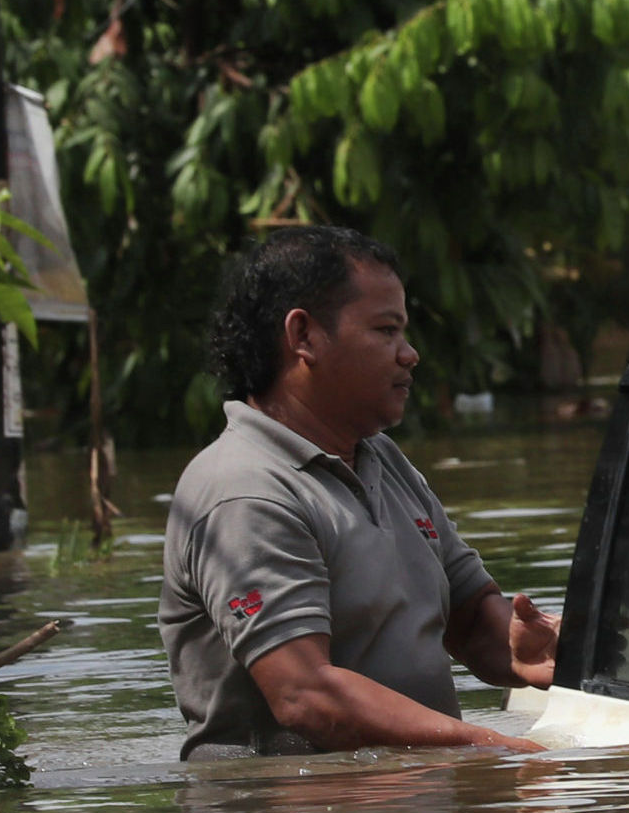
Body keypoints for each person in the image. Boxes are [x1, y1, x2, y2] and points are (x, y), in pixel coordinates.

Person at [161, 227, 551, 758]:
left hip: (415, 803)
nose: (409, 355)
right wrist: (487, 748)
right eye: (386, 330)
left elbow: (470, 614)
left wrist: (524, 649)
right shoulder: (244, 491)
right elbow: (307, 695)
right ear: (303, 337)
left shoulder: (381, 458)